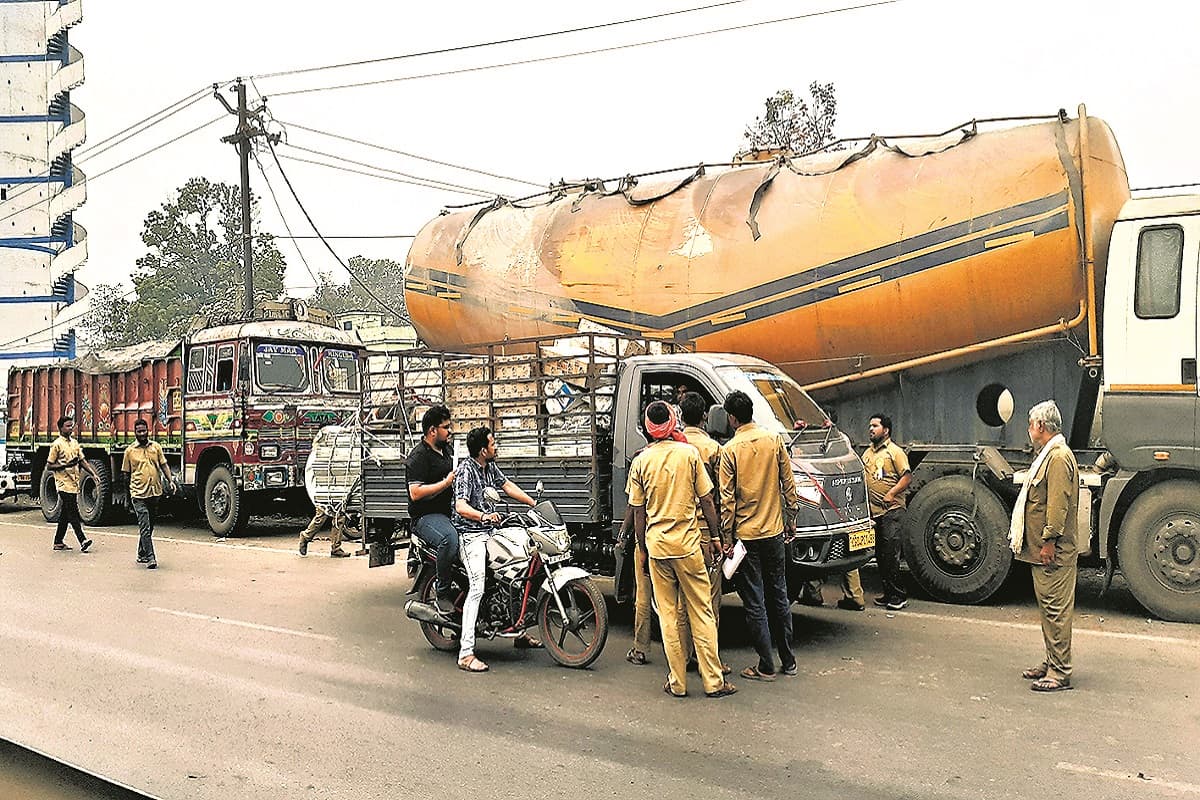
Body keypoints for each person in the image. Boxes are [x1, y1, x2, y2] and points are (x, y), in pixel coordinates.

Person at [628, 401, 735, 699]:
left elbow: (638, 512)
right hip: (688, 546)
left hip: (658, 547)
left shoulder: (641, 461)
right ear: (672, 423)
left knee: (669, 617)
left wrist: (642, 548)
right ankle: (713, 682)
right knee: (701, 611)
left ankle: (677, 682)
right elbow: (707, 500)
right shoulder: (688, 455)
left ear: (649, 429)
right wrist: (715, 536)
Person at [718, 390, 800, 682]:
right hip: (775, 531)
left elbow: (727, 501)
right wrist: (792, 519)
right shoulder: (774, 440)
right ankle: (788, 659)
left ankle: (766, 664)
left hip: (747, 536)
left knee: (755, 602)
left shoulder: (730, 451)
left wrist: (726, 539)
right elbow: (788, 484)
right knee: (779, 594)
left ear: (731, 417)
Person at [453, 426, 541, 673]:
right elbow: (460, 506)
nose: (496, 446)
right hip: (471, 536)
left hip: (491, 530)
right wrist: (482, 516)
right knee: (477, 587)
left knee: (521, 564)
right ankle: (466, 653)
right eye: (493, 443)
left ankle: (518, 631)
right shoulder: (465, 471)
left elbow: (507, 486)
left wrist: (534, 504)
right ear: (483, 450)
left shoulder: (489, 467)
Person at [1013, 400, 1079, 693]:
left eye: (1031, 425)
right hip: (1045, 549)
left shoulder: (1058, 457)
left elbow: (1057, 505)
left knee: (1055, 610)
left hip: (1053, 551)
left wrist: (1049, 541)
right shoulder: (1049, 455)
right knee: (1048, 609)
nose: (1029, 430)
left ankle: (1060, 672)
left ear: (1041, 426)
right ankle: (1052, 661)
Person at [678, 391, 731, 673]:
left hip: (679, 534)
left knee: (682, 602)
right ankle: (708, 660)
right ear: (703, 417)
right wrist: (719, 535)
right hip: (704, 534)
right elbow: (720, 495)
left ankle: (683, 656)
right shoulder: (712, 449)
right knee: (709, 600)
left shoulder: (672, 446)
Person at [406, 406, 459, 612]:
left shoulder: (447, 450)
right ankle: (443, 593)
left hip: (449, 512)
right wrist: (446, 483)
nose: (450, 431)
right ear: (432, 431)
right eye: (446, 427)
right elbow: (415, 493)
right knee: (449, 538)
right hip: (426, 517)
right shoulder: (419, 456)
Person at [863, 413, 912, 611]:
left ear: (886, 430)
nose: (871, 429)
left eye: (875, 426)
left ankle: (899, 596)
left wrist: (891, 493)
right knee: (880, 556)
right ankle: (888, 593)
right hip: (874, 513)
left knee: (891, 556)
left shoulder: (895, 452)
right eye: (870, 426)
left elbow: (907, 477)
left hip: (892, 511)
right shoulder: (868, 453)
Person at [121, 418, 174, 569]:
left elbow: (163, 465)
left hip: (154, 492)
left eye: (144, 431)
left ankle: (141, 553)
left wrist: (170, 481)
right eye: (139, 431)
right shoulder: (129, 451)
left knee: (149, 526)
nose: (142, 434)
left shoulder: (156, 447)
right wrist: (127, 498)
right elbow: (125, 475)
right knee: (144, 525)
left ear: (148, 430)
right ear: (135, 433)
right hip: (138, 494)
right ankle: (151, 557)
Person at [46, 415, 99, 553]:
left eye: (72, 426)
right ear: (60, 428)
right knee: (73, 511)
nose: (70, 428)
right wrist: (65, 465)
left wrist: (93, 474)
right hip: (62, 483)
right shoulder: (57, 444)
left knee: (65, 513)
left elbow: (82, 460)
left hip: (73, 483)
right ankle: (82, 539)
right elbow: (49, 466)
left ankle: (58, 541)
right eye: (67, 426)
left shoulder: (75, 443)